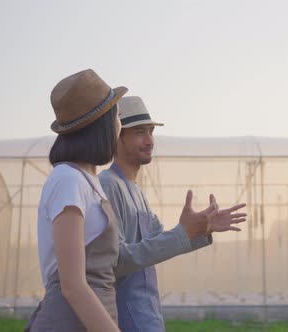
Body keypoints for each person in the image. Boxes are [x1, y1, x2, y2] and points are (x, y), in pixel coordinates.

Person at [99, 96, 247, 331]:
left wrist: (202, 227)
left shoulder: (136, 191)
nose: (149, 140)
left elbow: (163, 240)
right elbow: (116, 261)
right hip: (125, 318)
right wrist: (185, 232)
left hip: (148, 314)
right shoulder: (108, 185)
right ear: (116, 137)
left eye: (150, 131)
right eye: (139, 132)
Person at [26, 69, 125, 331]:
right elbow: (73, 285)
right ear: (101, 125)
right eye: (117, 115)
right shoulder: (68, 180)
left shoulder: (87, 181)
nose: (120, 123)